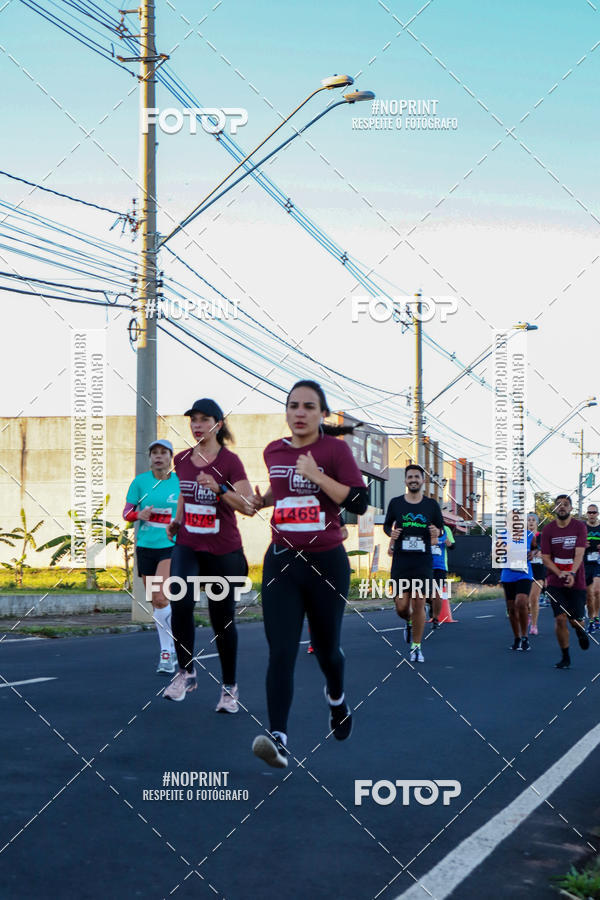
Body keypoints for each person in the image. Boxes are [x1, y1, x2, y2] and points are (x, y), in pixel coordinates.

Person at [250, 380, 368, 769]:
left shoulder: (335, 450)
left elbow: (359, 501)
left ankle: (336, 699)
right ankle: (278, 738)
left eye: (308, 406)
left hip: (326, 563)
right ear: (287, 412)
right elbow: (279, 492)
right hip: (281, 562)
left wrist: (317, 476)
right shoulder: (273, 451)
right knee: (281, 651)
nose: (299, 412)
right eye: (293, 406)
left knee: (327, 649)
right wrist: (260, 500)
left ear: (321, 414)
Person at [163, 399, 255, 710]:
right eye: (193, 420)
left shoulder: (230, 462)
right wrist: (177, 519)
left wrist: (218, 488)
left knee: (222, 619)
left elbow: (248, 506)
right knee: (181, 601)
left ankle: (229, 687)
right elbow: (185, 496)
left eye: (204, 420)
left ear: (218, 424)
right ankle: (186, 672)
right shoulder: (183, 459)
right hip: (189, 544)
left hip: (223, 550)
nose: (197, 425)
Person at [123, 439, 179, 674]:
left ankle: (166, 653)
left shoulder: (179, 482)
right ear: (149, 458)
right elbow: (126, 513)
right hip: (146, 547)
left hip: (171, 546)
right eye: (154, 453)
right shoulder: (140, 482)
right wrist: (139, 514)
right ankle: (171, 645)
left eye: (163, 453)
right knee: (157, 602)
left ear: (170, 457)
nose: (158, 457)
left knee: (161, 597)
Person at [383, 464, 444, 663]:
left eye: (417, 477)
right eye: (410, 477)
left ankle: (416, 647)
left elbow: (441, 529)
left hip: (422, 561)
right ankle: (408, 621)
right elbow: (386, 526)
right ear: (405, 480)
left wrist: (437, 532)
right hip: (401, 561)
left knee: (418, 601)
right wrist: (390, 533)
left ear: (422, 480)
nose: (413, 480)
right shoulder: (396, 503)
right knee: (401, 606)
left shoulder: (431, 505)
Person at [540, 494, 590, 669]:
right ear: (555, 509)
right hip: (555, 580)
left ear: (571, 508)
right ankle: (565, 657)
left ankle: (581, 630)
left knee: (574, 620)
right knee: (560, 619)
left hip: (577, 579)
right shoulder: (548, 530)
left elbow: (579, 554)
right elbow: (545, 558)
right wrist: (560, 573)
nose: (562, 507)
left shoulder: (579, 527)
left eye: (566, 504)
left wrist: (572, 574)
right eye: (559, 504)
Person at [500, 512, 535, 652]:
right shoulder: (503, 535)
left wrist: (533, 553)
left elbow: (535, 548)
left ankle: (525, 636)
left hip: (524, 574)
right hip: (508, 574)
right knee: (511, 609)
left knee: (520, 602)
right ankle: (517, 637)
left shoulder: (528, 535)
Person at [430, 523, 455, 627]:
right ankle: (431, 605)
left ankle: (435, 618)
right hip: (424, 566)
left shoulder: (445, 530)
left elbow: (453, 546)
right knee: (423, 592)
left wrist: (448, 543)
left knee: (437, 592)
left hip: (440, 566)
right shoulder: (424, 527)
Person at [584, 503, 600, 633]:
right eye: (589, 512)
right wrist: (582, 544)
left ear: (598, 514)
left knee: (596, 591)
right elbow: (575, 543)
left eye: (594, 512)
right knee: (589, 595)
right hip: (585, 563)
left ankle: (596, 618)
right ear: (586, 514)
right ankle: (591, 619)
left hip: (598, 563)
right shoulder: (582, 527)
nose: (592, 515)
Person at [527, 512, 545, 634]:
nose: (531, 522)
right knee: (526, 600)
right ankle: (528, 613)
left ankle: (534, 625)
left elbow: (550, 554)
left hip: (539, 570)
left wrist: (541, 554)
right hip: (525, 570)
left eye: (533, 520)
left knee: (534, 598)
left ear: (537, 523)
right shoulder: (522, 537)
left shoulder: (543, 537)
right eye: (529, 520)